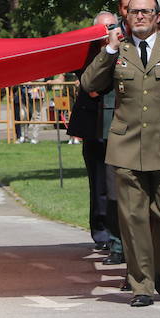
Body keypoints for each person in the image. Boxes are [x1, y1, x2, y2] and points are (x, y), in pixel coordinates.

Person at [81, 0, 160, 307]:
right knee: (133, 219)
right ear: (126, 16)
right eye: (134, 11)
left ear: (158, 17)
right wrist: (108, 50)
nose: (139, 16)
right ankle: (142, 285)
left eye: (146, 12)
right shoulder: (117, 51)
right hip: (126, 148)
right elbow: (90, 84)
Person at [67, 13, 121, 258]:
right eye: (103, 27)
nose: (107, 30)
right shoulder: (86, 51)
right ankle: (100, 232)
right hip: (93, 123)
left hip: (116, 123)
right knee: (98, 181)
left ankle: (116, 233)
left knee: (116, 183)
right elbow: (89, 82)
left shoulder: (122, 46)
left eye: (111, 26)